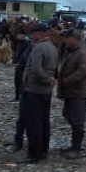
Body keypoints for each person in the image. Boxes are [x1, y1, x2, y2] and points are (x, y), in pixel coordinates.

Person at [20, 23, 58, 163]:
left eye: (34, 33)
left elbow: (36, 69)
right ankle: (43, 150)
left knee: (33, 122)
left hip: (35, 89)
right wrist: (50, 80)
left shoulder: (38, 48)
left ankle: (34, 154)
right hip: (46, 91)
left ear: (41, 34)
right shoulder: (52, 47)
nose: (32, 36)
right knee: (44, 121)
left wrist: (47, 79)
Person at [57, 29, 86, 159]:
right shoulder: (70, 50)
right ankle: (73, 146)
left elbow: (85, 70)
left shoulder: (82, 52)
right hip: (70, 92)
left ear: (74, 38)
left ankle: (76, 149)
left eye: (66, 38)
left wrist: (69, 80)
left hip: (78, 92)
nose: (64, 40)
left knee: (77, 121)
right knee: (69, 116)